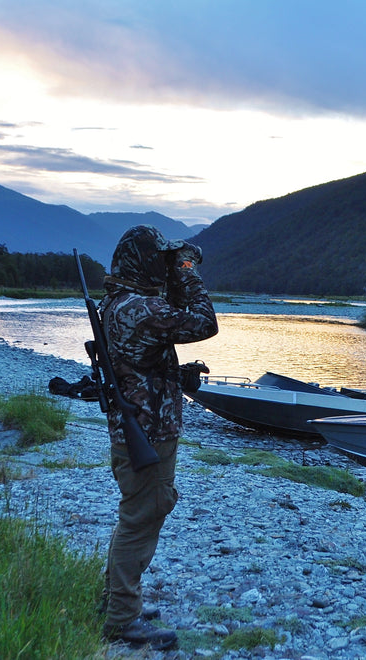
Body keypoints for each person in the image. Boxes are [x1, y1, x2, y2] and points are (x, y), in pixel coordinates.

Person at [98, 225, 218, 650]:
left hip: (141, 423)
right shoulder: (139, 307)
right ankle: (121, 618)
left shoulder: (123, 302)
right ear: (145, 260)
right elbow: (205, 322)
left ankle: (117, 599)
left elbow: (155, 343)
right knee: (143, 514)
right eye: (160, 257)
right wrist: (186, 267)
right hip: (148, 428)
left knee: (140, 509)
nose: (166, 263)